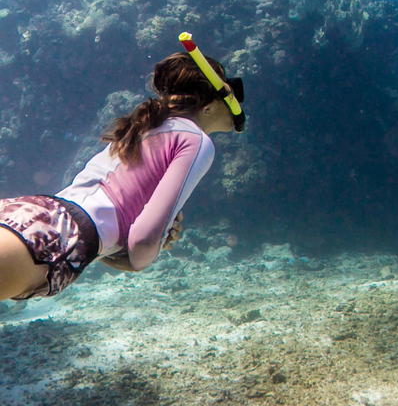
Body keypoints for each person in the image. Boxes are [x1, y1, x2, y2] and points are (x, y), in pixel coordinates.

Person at [0, 48, 245, 301]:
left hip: (36, 213)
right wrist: (141, 254)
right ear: (207, 107)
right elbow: (142, 244)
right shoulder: (196, 141)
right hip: (58, 241)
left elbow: (106, 213)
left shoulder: (145, 126)